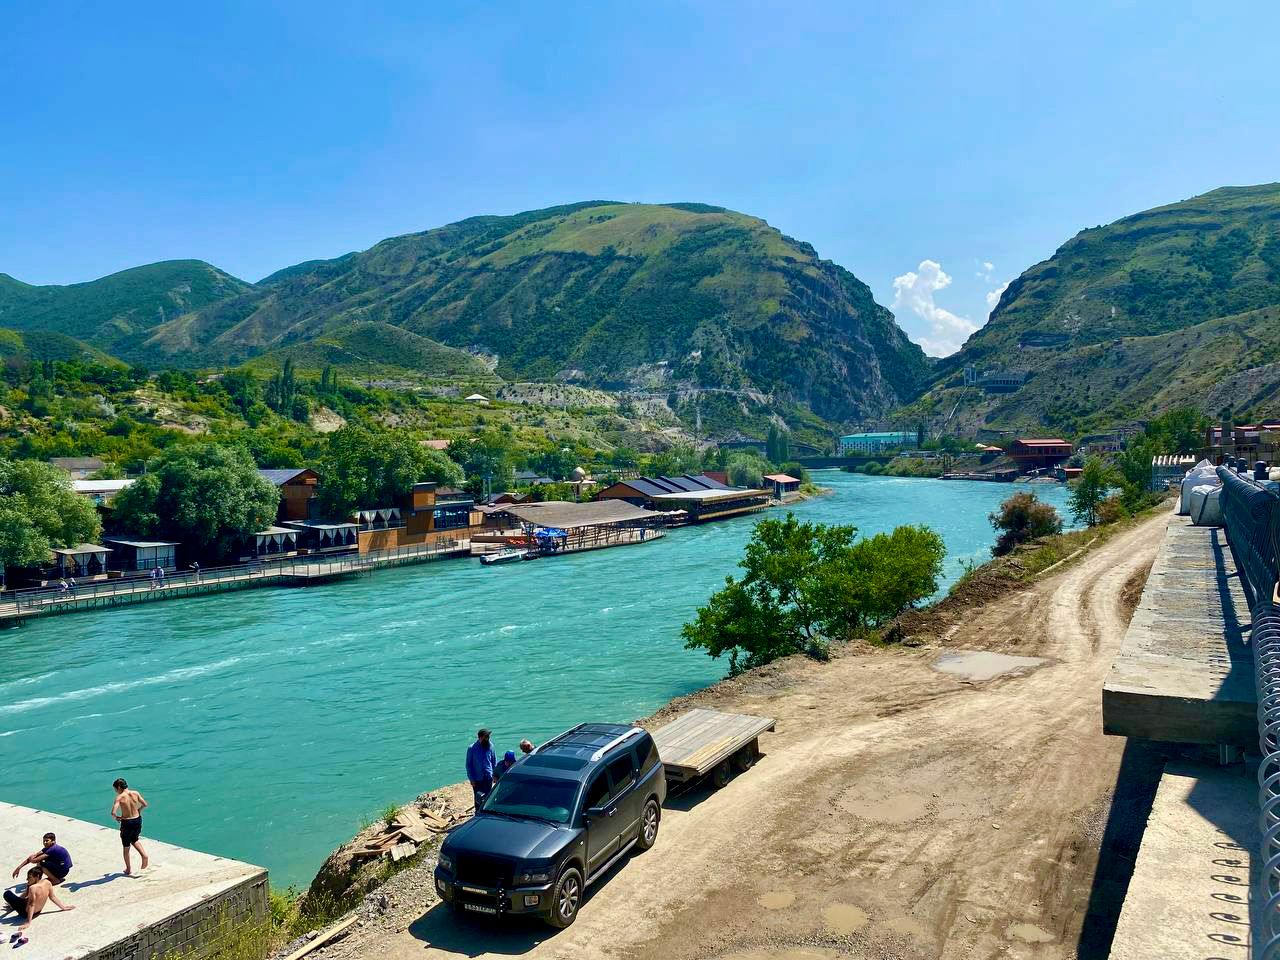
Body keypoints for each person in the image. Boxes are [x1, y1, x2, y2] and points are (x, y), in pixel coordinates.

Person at [2, 867, 74, 939]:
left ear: (37, 877)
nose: (27, 879)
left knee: (7, 893)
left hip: (25, 913)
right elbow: (52, 897)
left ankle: (12, 906)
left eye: (29, 877)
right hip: (38, 911)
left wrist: (28, 922)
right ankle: (12, 905)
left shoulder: (32, 888)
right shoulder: (48, 882)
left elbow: (31, 905)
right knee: (20, 899)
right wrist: (63, 907)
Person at [111, 778, 149, 875]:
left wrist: (117, 818)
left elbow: (113, 812)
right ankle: (144, 856)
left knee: (126, 846)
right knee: (135, 839)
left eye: (116, 789)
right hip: (137, 820)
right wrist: (139, 810)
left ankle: (128, 869)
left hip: (127, 822)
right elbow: (145, 804)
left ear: (119, 787)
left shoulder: (120, 797)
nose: (116, 791)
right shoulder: (135, 793)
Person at [465, 729, 495, 812]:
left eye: (488, 737)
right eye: (486, 737)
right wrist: (471, 779)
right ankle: (478, 813)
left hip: (488, 777)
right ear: (480, 737)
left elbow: (493, 761)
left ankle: (487, 813)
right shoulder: (472, 748)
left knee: (488, 797)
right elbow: (468, 765)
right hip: (478, 778)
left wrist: (494, 774)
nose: (488, 738)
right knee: (478, 798)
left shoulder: (491, 746)